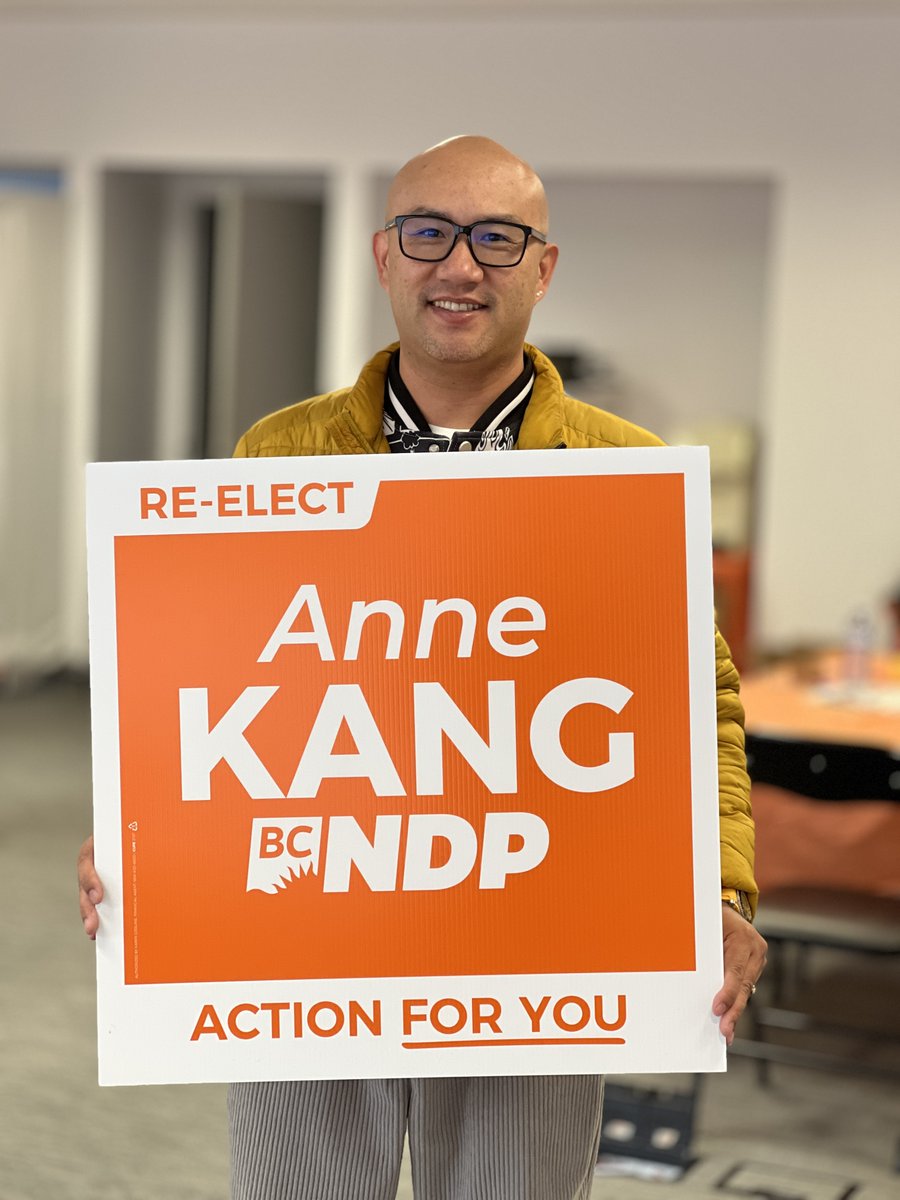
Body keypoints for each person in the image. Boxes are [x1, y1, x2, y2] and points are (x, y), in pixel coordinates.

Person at [78, 135, 767, 1200]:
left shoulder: (626, 473)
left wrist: (715, 882)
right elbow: (211, 688)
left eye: (498, 239)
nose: (460, 266)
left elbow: (702, 706)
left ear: (543, 268)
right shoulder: (279, 453)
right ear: (384, 257)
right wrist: (145, 834)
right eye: (429, 234)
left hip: (542, 938)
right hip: (315, 936)